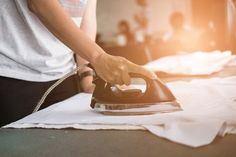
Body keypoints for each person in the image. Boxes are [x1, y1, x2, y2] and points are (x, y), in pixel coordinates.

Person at [0, 0, 156, 126]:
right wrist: (99, 57)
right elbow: (40, 4)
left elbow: (86, 19)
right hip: (14, 73)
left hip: (64, 76)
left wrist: (87, 77)